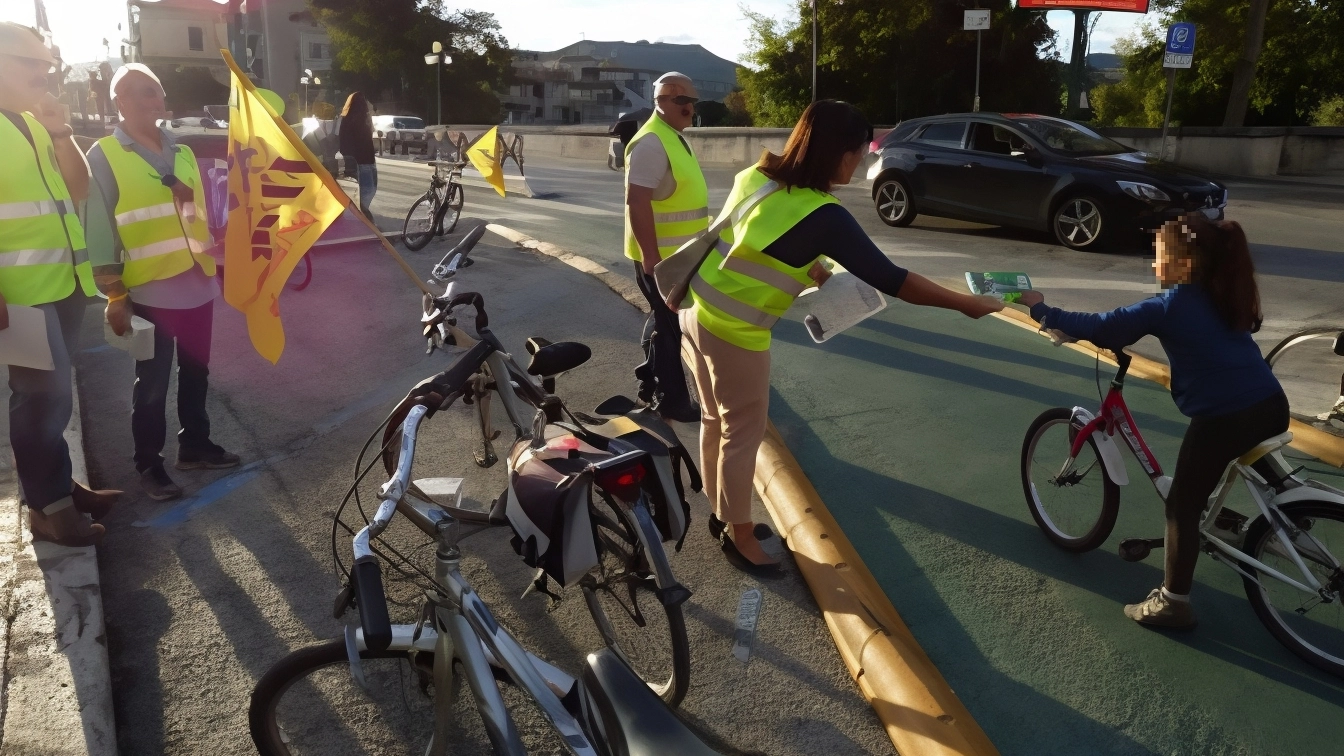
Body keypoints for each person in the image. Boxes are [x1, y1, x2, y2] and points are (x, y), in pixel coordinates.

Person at [678, 100, 1002, 573]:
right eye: (860, 152)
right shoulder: (824, 214)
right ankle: (740, 536)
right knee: (742, 436)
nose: (863, 161)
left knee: (714, 422)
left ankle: (724, 514)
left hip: (697, 316)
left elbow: (754, 238)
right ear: (839, 154)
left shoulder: (758, 176)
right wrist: (967, 304)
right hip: (736, 336)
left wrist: (815, 269)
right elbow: (894, 279)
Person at [1019, 214, 1287, 630]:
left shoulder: (1172, 304)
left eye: (1158, 254)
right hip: (1269, 404)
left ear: (1183, 260)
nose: (1152, 263)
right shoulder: (1223, 292)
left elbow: (1106, 326)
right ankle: (1287, 511)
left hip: (1225, 416)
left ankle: (1172, 603)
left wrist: (1040, 308)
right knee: (1241, 457)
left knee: (1181, 505)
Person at [84, 64, 239, 502]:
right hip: (150, 287)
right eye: (138, 93)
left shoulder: (183, 151)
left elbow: (201, 213)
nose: (150, 101)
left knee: (196, 371)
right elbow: (99, 228)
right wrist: (114, 291)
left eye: (155, 93)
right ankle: (149, 466)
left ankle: (194, 445)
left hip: (196, 281)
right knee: (151, 385)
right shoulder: (104, 155)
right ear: (118, 101)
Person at [0, 22, 116, 546]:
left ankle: (60, 487)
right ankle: (48, 510)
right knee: (37, 398)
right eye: (32, 64)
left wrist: (60, 131)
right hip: (19, 295)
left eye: (49, 66)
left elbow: (78, 188)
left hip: (64, 283)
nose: (45, 74)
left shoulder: (31, 121)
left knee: (55, 398)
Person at [624, 72, 706, 423]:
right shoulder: (652, 143)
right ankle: (672, 401)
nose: (690, 108)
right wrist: (651, 258)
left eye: (692, 101)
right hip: (663, 262)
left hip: (679, 259)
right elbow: (637, 202)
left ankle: (649, 380)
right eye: (682, 101)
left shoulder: (673, 138)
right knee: (671, 331)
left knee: (663, 323)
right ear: (661, 101)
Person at [338, 92, 377, 218]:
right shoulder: (349, 120)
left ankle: (362, 213)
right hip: (361, 161)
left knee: (371, 189)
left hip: (369, 159)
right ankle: (362, 215)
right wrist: (352, 159)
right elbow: (345, 143)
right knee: (368, 190)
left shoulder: (364, 119)